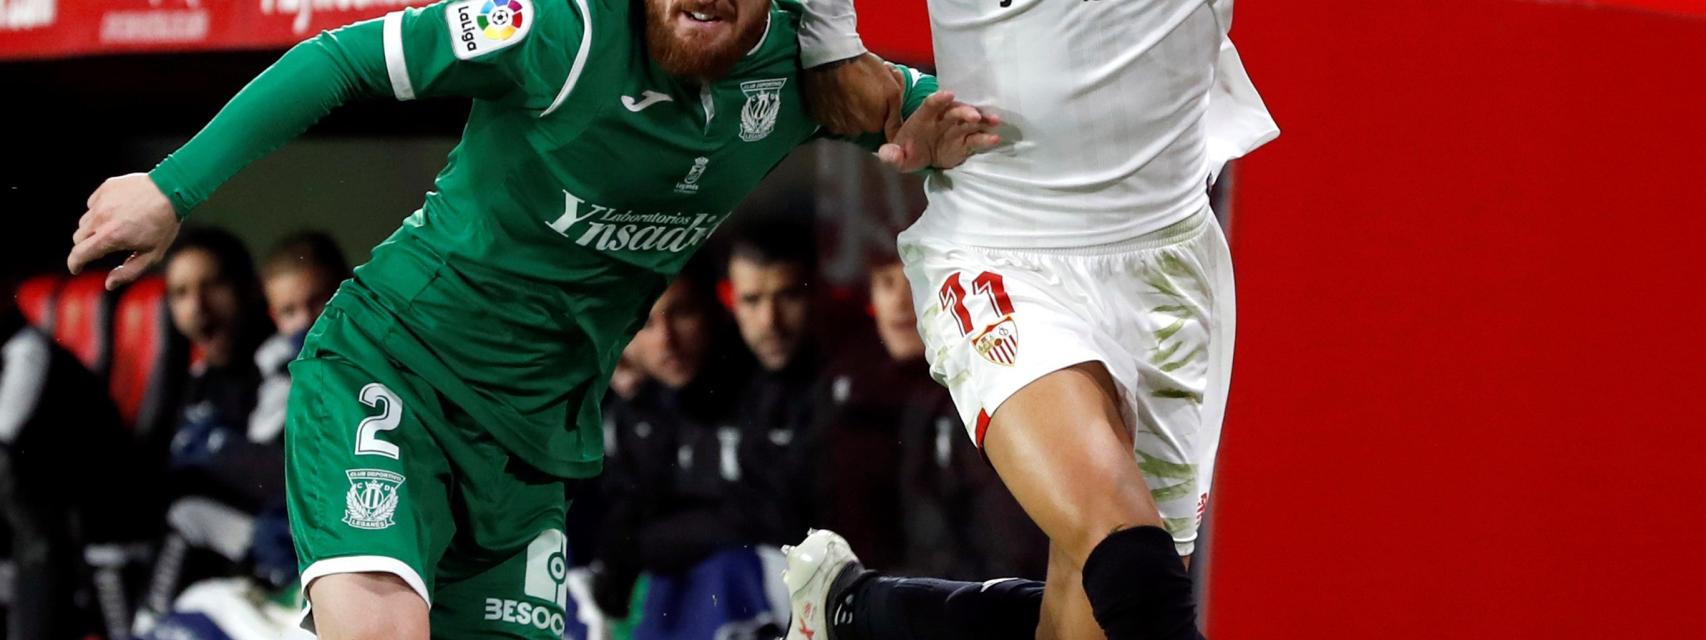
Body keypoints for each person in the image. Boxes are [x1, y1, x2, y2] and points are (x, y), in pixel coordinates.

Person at [65, 0, 997, 636]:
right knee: (385, 620)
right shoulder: (556, 29)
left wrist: (946, 130)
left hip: (533, 452)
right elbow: (340, 57)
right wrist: (168, 186)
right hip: (392, 377)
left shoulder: (799, 76)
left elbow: (955, 118)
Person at [783, 1, 1279, 639]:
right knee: (1131, 569)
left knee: (1102, 613)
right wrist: (827, 40)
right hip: (1004, 249)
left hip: (1171, 273)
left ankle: (854, 614)